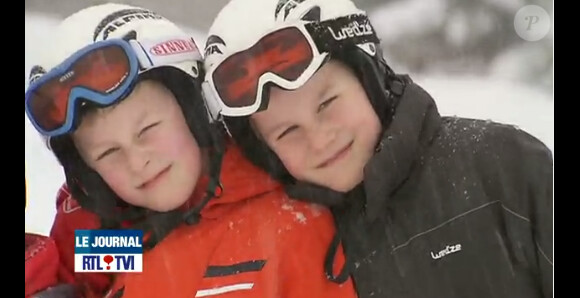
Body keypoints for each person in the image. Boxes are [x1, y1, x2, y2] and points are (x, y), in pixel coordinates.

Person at [202, 0, 554, 297]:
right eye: (287, 132)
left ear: (370, 78)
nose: (319, 138)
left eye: (327, 104)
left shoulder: (501, 167)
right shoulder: (296, 238)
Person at [25, 3, 358, 298]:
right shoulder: (123, 241)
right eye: (107, 154)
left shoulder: (290, 223)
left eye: (147, 130)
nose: (137, 161)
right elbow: (67, 268)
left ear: (193, 110)